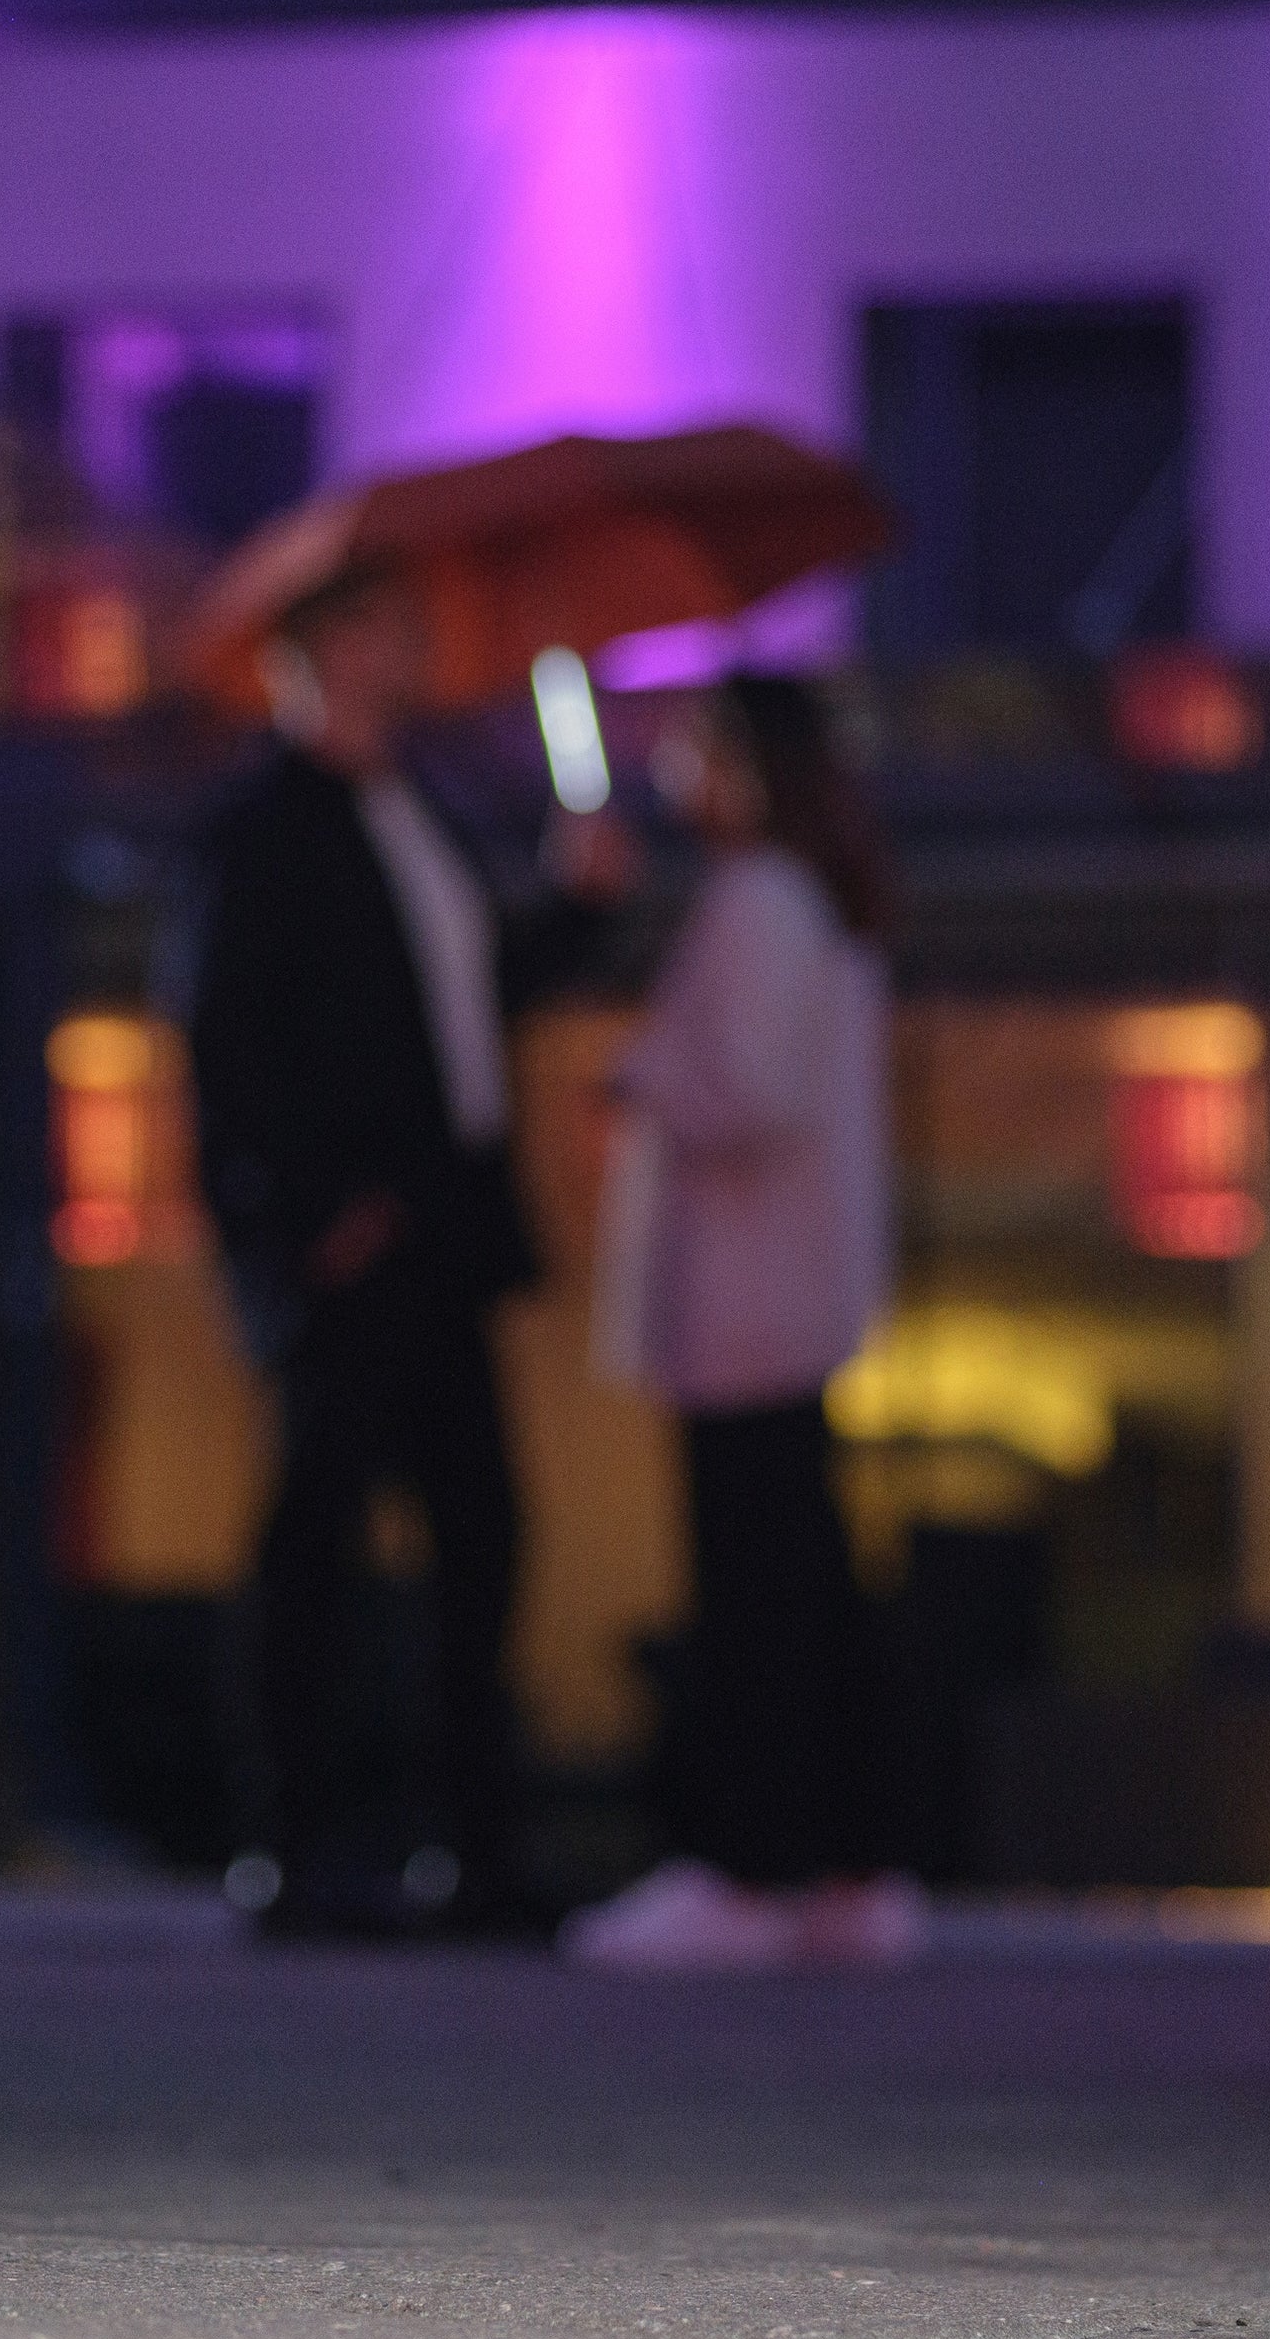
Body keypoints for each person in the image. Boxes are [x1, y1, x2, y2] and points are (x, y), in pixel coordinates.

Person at [182, 565, 623, 1939]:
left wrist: (578, 906)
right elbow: (230, 1041)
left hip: (445, 1230)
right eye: (386, 629)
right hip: (354, 1241)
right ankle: (296, 1842)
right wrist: (310, 1215)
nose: (416, 651)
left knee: (481, 1533)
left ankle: (474, 1845)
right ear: (315, 649)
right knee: (317, 1539)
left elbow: (467, 999)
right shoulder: (264, 828)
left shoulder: (429, 807)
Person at [564, 673, 917, 1975]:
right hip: (787, 1297)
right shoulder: (810, 899)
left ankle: (752, 1865)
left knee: (757, 1588)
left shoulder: (761, 899)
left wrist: (643, 1073)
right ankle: (840, 1863)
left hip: (749, 1299)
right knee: (805, 1582)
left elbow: (750, 1088)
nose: (676, 769)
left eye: (698, 748)